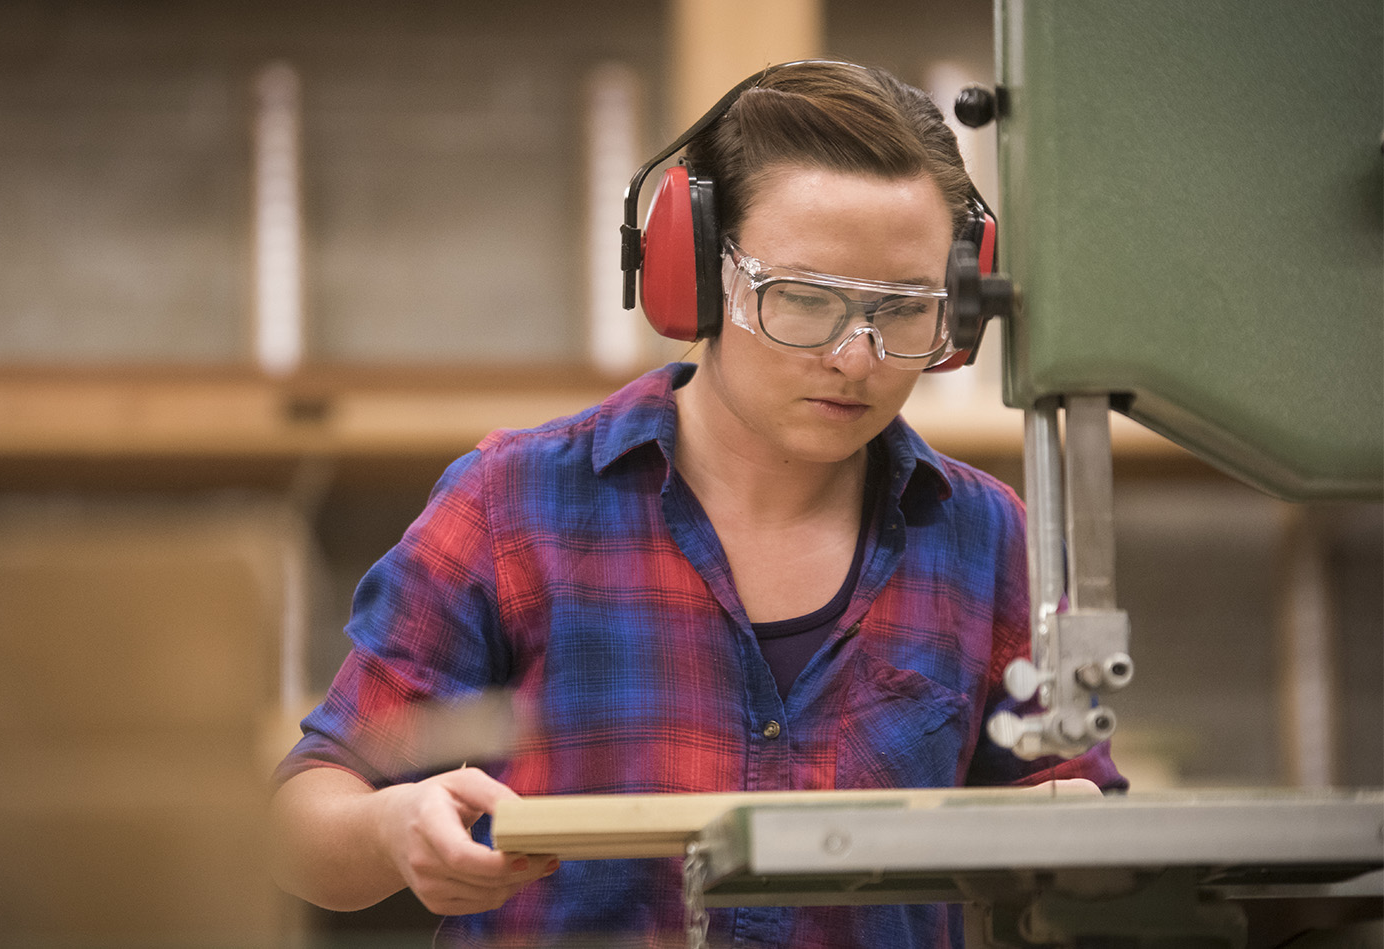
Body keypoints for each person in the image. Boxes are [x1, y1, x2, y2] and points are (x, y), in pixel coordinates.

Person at [268, 59, 1124, 948]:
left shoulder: (984, 538)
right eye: (805, 299)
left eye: (906, 309)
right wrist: (388, 831)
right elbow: (302, 821)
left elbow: (1080, 841)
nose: (857, 358)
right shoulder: (512, 505)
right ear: (698, 274)